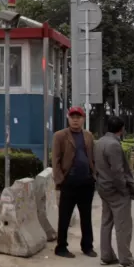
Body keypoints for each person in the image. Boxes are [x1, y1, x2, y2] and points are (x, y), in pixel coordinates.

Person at [95, 116, 134, 267]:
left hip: (103, 188)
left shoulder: (99, 142)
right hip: (116, 190)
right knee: (123, 225)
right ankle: (126, 259)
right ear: (121, 129)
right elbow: (117, 171)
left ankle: (106, 255)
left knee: (106, 222)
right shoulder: (114, 145)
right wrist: (124, 189)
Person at [51, 106, 97, 258]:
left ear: (83, 119)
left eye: (78, 117)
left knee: (86, 216)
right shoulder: (60, 136)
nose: (75, 119)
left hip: (86, 182)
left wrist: (94, 175)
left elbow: (93, 157)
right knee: (64, 216)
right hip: (68, 182)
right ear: (68, 118)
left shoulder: (88, 136)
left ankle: (87, 246)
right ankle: (61, 247)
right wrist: (60, 180)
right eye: (73, 117)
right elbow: (55, 160)